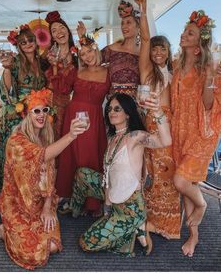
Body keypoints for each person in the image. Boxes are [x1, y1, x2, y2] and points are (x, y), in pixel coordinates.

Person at [69, 93, 172, 257]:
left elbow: (165, 141)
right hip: (112, 194)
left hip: (129, 208)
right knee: (82, 173)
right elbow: (109, 174)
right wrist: (107, 207)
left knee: (86, 243)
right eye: (109, 109)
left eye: (117, 109)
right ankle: (73, 211)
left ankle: (137, 227)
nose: (112, 112)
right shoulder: (112, 137)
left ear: (128, 113)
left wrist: (158, 111)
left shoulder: (135, 136)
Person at [0, 88, 86, 270]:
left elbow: (50, 174)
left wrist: (47, 206)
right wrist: (71, 135)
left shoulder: (46, 136)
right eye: (36, 110)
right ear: (26, 114)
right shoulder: (16, 141)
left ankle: (29, 226)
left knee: (52, 246)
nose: (41, 115)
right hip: (17, 203)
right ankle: (5, 230)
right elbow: (42, 155)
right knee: (33, 255)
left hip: (41, 201)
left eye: (45, 110)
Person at [171, 10, 221, 257]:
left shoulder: (209, 68)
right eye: (184, 30)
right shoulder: (178, 64)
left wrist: (211, 77)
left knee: (181, 181)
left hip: (201, 133)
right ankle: (194, 236)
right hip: (180, 130)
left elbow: (210, 105)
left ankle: (202, 205)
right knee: (186, 183)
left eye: (189, 33)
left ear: (199, 41)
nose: (183, 35)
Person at [135, 0, 181, 240]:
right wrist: (143, 8)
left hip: (170, 125)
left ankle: (169, 223)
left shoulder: (175, 73)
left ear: (168, 50)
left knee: (169, 172)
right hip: (152, 123)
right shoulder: (146, 70)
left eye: (161, 49)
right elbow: (144, 36)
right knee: (151, 172)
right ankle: (151, 220)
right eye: (154, 49)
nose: (157, 53)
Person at [56, 33, 110, 217]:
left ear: (96, 49)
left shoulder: (108, 72)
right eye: (83, 54)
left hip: (94, 122)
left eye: (89, 51)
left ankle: (92, 202)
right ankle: (71, 198)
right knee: (71, 157)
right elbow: (63, 90)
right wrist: (61, 69)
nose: (87, 56)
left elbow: (115, 96)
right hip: (73, 118)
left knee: (89, 158)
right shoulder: (76, 71)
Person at [0, 24, 47, 191]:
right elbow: (7, 91)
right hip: (17, 113)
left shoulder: (41, 62)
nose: (27, 44)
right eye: (23, 42)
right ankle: (11, 193)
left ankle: (29, 190)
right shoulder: (15, 61)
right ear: (18, 45)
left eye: (30, 40)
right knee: (15, 153)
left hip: (35, 113)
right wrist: (7, 69)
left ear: (35, 41)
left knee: (30, 152)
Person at [77, 0, 141, 98]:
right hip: (114, 103)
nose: (124, 26)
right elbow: (91, 59)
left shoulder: (143, 53)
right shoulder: (112, 49)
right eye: (122, 23)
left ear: (138, 26)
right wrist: (83, 37)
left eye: (128, 22)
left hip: (135, 105)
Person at [45, 11, 78, 140]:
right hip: (47, 103)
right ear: (52, 37)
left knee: (63, 139)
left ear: (68, 31)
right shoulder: (46, 56)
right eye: (54, 30)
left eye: (62, 28)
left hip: (66, 106)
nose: (59, 32)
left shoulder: (77, 56)